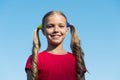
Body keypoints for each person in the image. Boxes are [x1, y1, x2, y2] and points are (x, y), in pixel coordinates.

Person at [25, 10, 87, 80]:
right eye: (50, 26)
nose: (56, 30)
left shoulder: (77, 60)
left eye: (61, 26)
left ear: (66, 30)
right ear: (43, 31)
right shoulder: (34, 59)